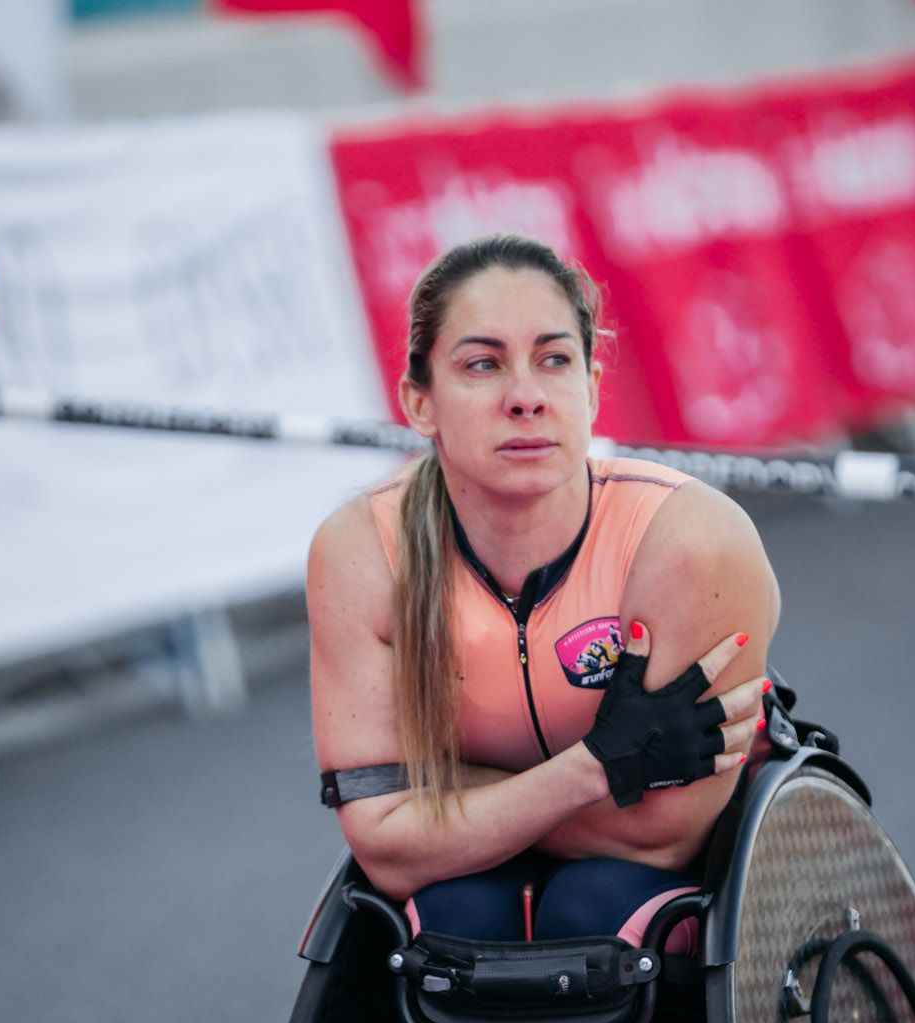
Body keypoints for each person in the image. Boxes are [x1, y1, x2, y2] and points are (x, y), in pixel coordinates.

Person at [309, 232, 778, 951]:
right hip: (492, 868)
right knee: (453, 920)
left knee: (592, 911)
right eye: (482, 365)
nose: (525, 397)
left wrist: (448, 794)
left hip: (681, 873)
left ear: (590, 388)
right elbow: (385, 851)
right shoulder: (363, 553)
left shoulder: (688, 541)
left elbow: (659, 837)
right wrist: (595, 767)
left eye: (553, 360)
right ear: (419, 402)